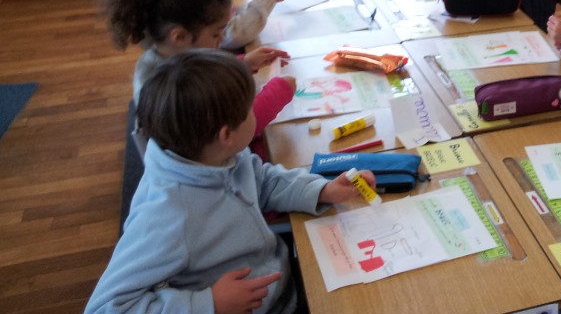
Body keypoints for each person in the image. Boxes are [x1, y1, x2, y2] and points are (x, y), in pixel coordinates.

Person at [85, 51, 374, 314]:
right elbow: (106, 308)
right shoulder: (167, 215)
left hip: (283, 285)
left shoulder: (217, 156)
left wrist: (321, 190)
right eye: (251, 107)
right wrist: (207, 304)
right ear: (226, 135)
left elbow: (262, 180)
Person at [100, 0, 293, 160]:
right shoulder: (176, 87)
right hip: (206, 168)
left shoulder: (163, 58)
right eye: (217, 33)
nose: (222, 40)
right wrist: (278, 93)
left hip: (195, 154)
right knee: (278, 150)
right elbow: (235, 132)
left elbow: (207, 70)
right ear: (180, 36)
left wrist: (243, 63)